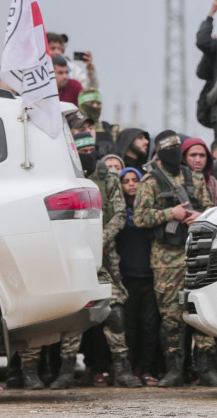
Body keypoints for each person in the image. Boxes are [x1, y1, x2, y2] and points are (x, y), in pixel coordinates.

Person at [133, 130, 217, 388]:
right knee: (171, 316)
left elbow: (213, 210)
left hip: (197, 252)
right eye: (168, 150)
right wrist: (169, 213)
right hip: (166, 258)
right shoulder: (151, 181)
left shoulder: (194, 178)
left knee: (204, 309)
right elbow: (140, 217)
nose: (173, 154)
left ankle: (207, 368)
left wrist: (199, 215)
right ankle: (174, 369)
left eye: (176, 148)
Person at [52, 132, 141, 389]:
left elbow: (119, 215)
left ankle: (122, 368)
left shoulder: (108, 177)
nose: (88, 154)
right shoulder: (65, 178)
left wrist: (99, 238)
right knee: (73, 308)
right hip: (72, 256)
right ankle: (66, 369)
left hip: (104, 257)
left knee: (114, 311)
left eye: (92, 149)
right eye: (84, 150)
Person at [117, 167, 160, 386]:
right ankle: (130, 368)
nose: (132, 184)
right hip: (127, 275)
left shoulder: (150, 208)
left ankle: (148, 369)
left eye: (135, 180)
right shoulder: (118, 211)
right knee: (129, 325)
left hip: (150, 273)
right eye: (126, 181)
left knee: (149, 325)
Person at [182, 138, 217, 206]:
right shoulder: (176, 182)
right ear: (184, 159)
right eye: (193, 155)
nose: (198, 160)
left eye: (202, 155)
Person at [78, 88, 118, 158]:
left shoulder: (111, 130)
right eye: (91, 103)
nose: (95, 106)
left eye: (98, 104)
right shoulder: (72, 128)